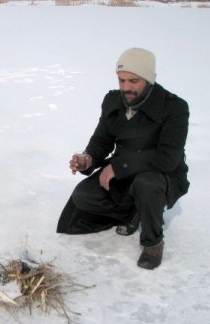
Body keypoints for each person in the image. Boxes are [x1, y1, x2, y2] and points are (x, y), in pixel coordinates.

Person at [57, 47, 190, 270]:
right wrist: (88, 158)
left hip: (160, 175)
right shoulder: (113, 101)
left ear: (148, 79)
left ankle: (153, 242)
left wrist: (119, 166)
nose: (126, 87)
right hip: (124, 171)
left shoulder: (174, 107)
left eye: (134, 81)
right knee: (83, 196)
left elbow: (168, 158)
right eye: (121, 80)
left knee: (146, 184)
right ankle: (135, 212)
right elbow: (102, 141)